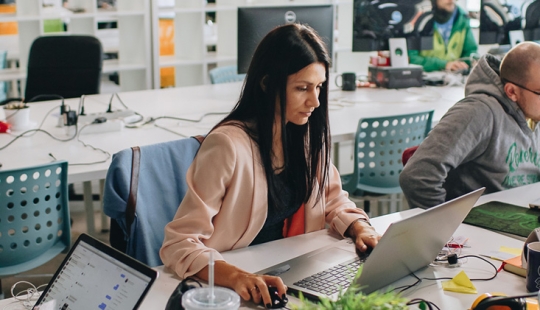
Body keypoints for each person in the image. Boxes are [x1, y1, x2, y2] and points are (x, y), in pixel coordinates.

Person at [160, 23, 380, 307]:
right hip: (233, 286)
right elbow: (179, 243)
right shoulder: (227, 146)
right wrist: (238, 277)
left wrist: (360, 228)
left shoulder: (304, 134)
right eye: (302, 88)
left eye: (319, 87)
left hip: (289, 273)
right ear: (267, 85)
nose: (314, 101)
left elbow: (334, 200)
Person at [400, 41, 540, 210]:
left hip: (523, 218)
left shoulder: (533, 113)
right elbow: (417, 176)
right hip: (481, 228)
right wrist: (444, 226)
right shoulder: (478, 113)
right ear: (512, 92)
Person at [409, 0, 478, 72]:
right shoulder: (420, 20)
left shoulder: (462, 18)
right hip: (425, 78)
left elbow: (471, 52)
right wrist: (444, 64)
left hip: (455, 78)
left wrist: (470, 62)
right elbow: (410, 58)